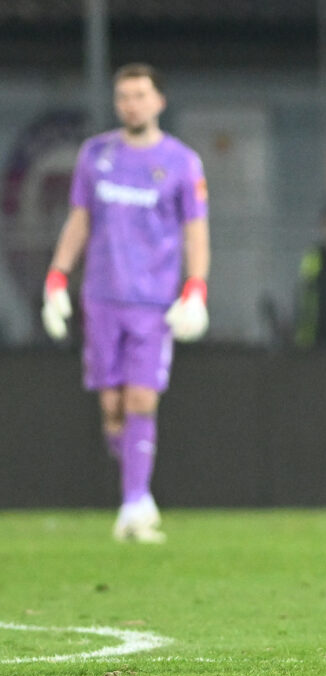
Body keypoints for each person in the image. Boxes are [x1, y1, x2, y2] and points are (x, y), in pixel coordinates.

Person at [40, 63, 210, 543]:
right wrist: (57, 276)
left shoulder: (182, 162)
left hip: (152, 302)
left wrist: (196, 287)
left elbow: (196, 230)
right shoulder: (96, 155)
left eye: (140, 95)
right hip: (101, 298)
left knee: (141, 398)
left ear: (159, 102)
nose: (131, 105)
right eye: (123, 97)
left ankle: (135, 502)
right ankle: (135, 486)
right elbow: (79, 220)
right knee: (113, 407)